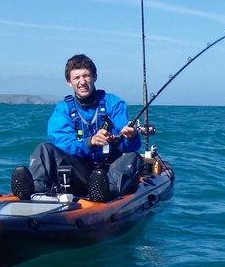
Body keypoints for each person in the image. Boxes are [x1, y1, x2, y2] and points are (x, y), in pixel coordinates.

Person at [11, 54, 143, 202]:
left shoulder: (114, 103)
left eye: (86, 76)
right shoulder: (63, 109)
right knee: (44, 148)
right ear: (69, 82)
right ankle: (36, 189)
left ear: (94, 77)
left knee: (133, 156)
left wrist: (131, 136)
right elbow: (63, 144)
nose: (82, 82)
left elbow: (129, 145)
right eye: (77, 78)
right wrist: (89, 142)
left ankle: (108, 192)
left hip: (109, 171)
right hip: (80, 171)